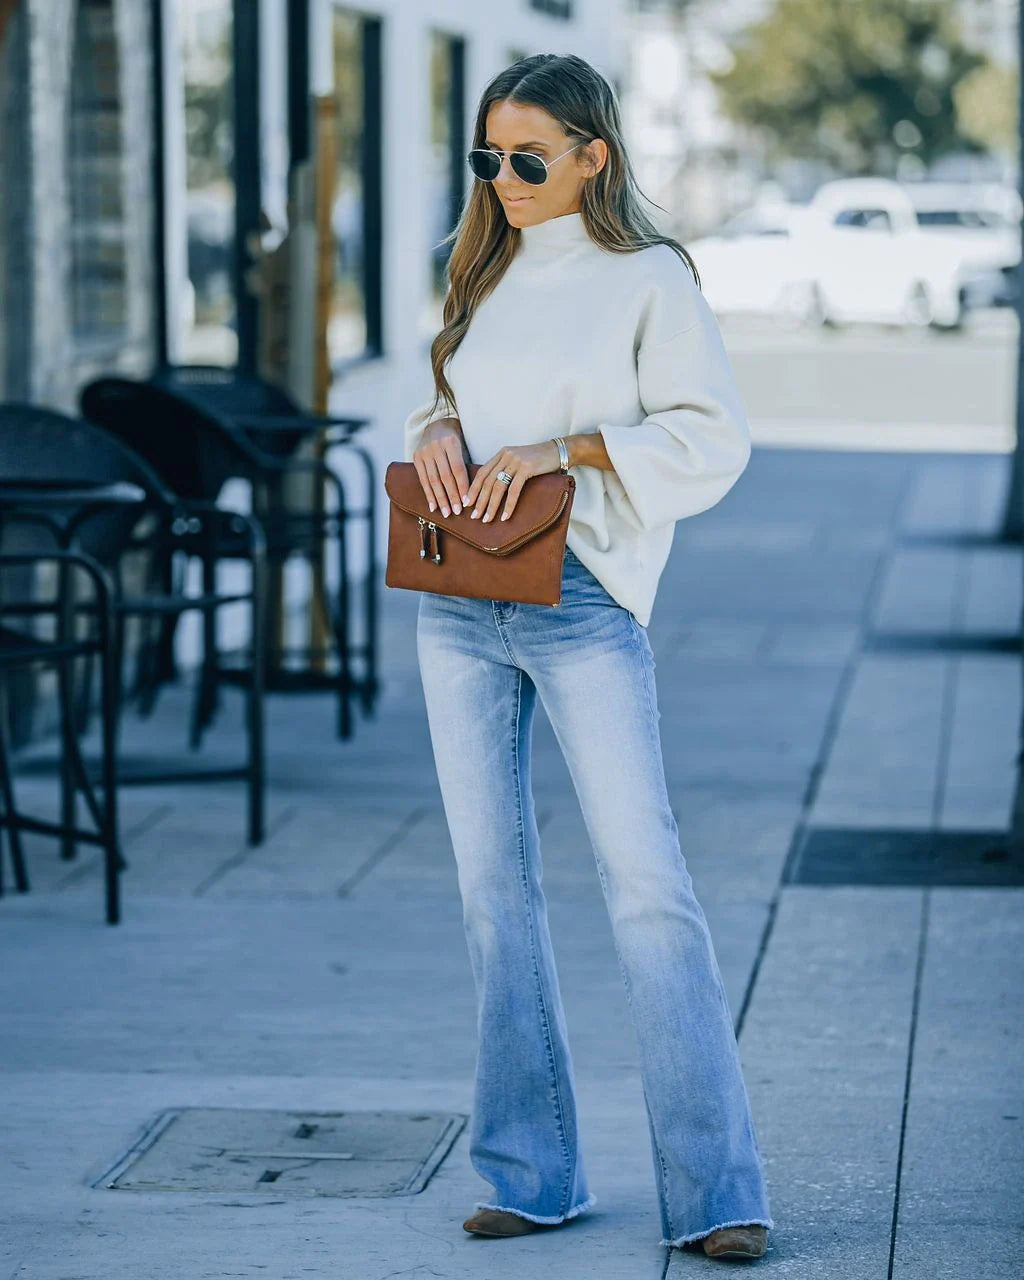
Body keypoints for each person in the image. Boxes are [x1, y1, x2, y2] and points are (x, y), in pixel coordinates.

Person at [403, 53, 773, 1262]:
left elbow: (709, 438)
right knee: (488, 895)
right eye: (486, 158)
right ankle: (529, 1170)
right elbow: (440, 396)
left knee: (647, 889)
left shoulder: (648, 278)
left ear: (592, 155)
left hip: (581, 599)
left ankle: (717, 1191)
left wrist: (569, 447)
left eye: (528, 159)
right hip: (457, 599)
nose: (503, 180)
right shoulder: (482, 263)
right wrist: (445, 426)